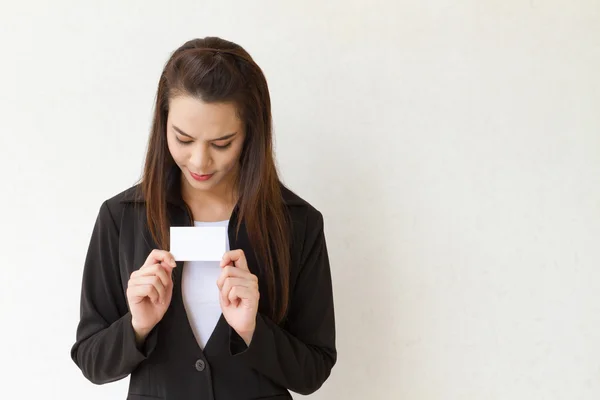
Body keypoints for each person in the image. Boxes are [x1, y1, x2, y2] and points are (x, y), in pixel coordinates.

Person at [70, 37, 337, 399]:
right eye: (183, 139)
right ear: (163, 124)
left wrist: (253, 330)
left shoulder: (298, 223)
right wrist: (137, 326)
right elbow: (91, 360)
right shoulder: (122, 218)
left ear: (250, 134)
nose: (199, 161)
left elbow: (313, 371)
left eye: (221, 143)